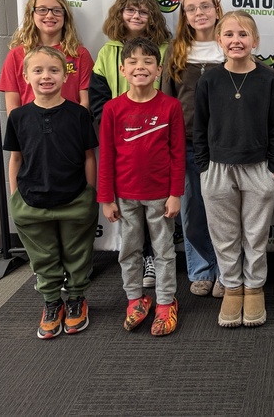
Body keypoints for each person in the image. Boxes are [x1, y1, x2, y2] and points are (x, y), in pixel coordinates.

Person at [193, 11, 274, 328]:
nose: (236, 40)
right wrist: (204, 168)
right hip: (217, 170)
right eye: (230, 34)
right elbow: (199, 128)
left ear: (255, 40)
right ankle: (232, 287)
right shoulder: (208, 80)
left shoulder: (269, 79)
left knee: (255, 236)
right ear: (219, 40)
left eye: (243, 34)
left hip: (259, 169)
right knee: (224, 237)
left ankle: (254, 288)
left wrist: (273, 168)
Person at [2, 46, 99, 339]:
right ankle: (52, 302)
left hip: (75, 198)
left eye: (54, 70)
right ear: (26, 76)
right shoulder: (18, 117)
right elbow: (16, 159)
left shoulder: (79, 114)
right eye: (38, 70)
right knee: (43, 258)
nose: (46, 76)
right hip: (31, 202)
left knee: (77, 254)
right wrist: (15, 197)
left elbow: (89, 157)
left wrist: (90, 194)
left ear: (65, 76)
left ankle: (76, 299)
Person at [98, 37, 185, 336]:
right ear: (122, 70)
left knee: (164, 251)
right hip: (125, 196)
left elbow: (177, 154)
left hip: (161, 195)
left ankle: (165, 302)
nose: (140, 67)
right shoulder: (112, 109)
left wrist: (175, 194)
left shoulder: (171, 106)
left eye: (148, 62)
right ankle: (135, 299)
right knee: (130, 250)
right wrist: (106, 198)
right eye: (133, 62)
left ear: (159, 70)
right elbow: (107, 156)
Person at [90, 0, 172, 289]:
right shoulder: (107, 52)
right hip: (123, 141)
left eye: (143, 11)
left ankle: (152, 259)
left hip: (155, 136)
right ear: (120, 14)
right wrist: (116, 128)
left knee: (157, 209)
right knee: (131, 210)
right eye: (130, 10)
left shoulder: (166, 49)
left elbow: (172, 91)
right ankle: (136, 268)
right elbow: (98, 97)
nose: (136, 16)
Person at [161, 0, 223, 298]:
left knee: (225, 211)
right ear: (184, 16)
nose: (199, 13)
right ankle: (201, 269)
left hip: (224, 144)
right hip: (186, 143)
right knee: (192, 210)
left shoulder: (230, 44)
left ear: (216, 9)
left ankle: (226, 271)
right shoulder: (176, 51)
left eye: (205, 6)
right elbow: (166, 100)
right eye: (191, 9)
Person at [0, 0, 93, 114]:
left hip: (71, 123)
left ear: (65, 16)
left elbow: (85, 102)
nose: (49, 15)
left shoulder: (79, 54)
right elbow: (13, 107)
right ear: (31, 15)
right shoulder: (16, 55)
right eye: (42, 10)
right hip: (30, 124)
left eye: (57, 11)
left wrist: (73, 122)